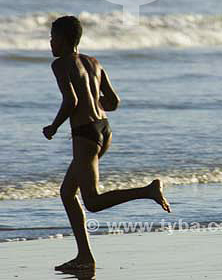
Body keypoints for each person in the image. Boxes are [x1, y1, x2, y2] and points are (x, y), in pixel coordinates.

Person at [43, 16, 171, 271]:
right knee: (67, 193)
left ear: (66, 39)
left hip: (85, 135)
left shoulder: (60, 64)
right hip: (104, 130)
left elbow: (71, 102)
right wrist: (94, 105)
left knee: (92, 201)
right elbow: (113, 102)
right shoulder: (94, 62)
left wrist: (54, 127)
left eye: (53, 37)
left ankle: (147, 191)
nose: (50, 42)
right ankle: (84, 256)